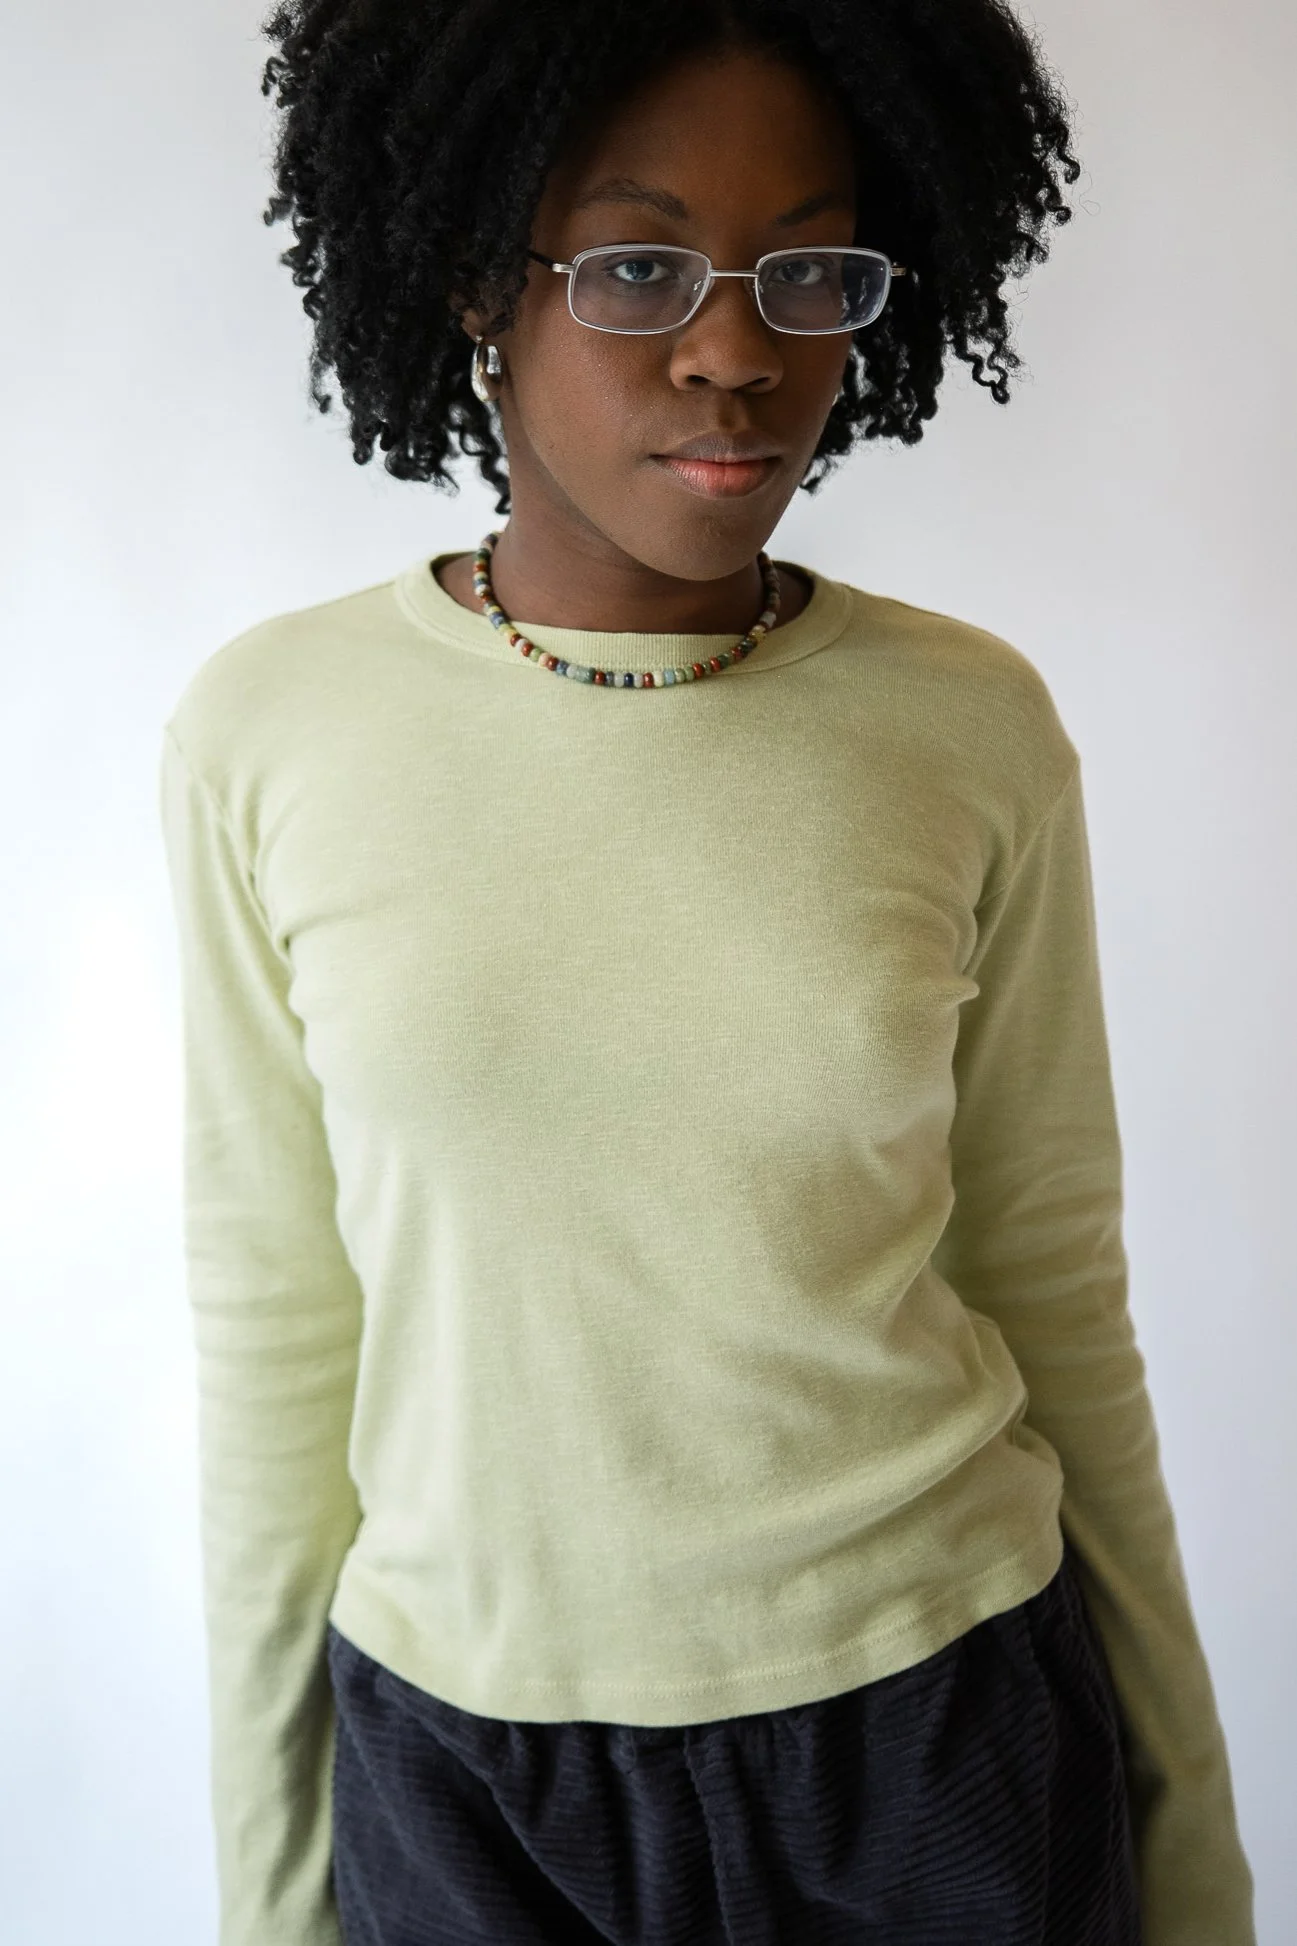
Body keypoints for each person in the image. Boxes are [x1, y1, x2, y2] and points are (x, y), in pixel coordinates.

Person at [157, 3, 1256, 1943]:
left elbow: (1054, 1286)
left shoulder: (969, 725)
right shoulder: (272, 731)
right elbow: (273, 1326)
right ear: (475, 281)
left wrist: (1190, 1854)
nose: (739, 352)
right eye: (638, 260)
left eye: (808, 270)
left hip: (945, 1738)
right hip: (469, 1769)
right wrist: (274, 1894)